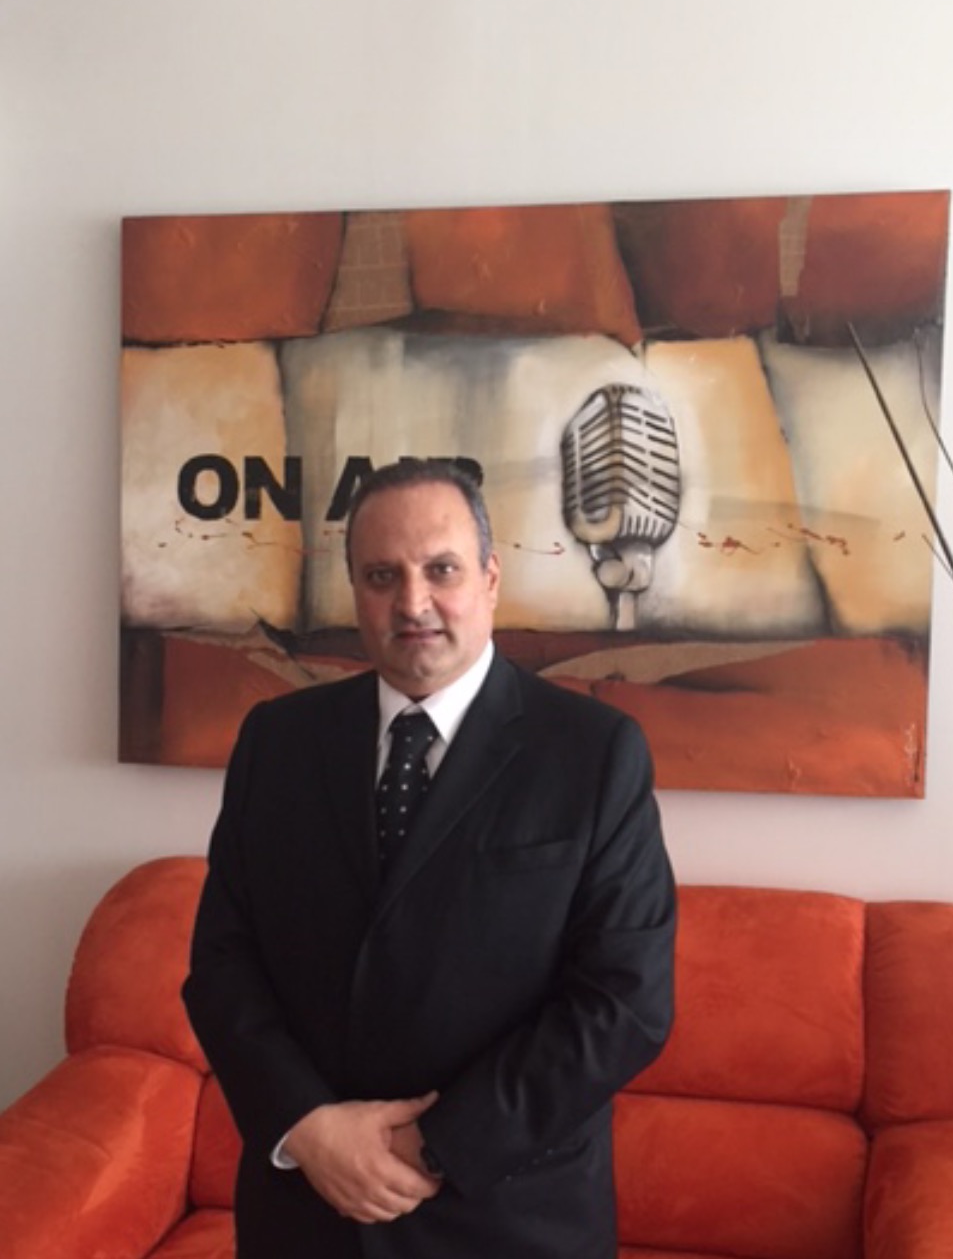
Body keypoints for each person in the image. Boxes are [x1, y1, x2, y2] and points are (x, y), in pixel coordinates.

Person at [183, 457, 677, 1259]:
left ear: (490, 579)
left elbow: (625, 1001)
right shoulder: (277, 742)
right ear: (355, 590)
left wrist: (432, 1146)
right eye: (382, 575)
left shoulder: (593, 752)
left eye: (440, 569)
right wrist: (306, 1126)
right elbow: (221, 963)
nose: (412, 603)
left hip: (506, 1214)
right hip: (308, 1211)